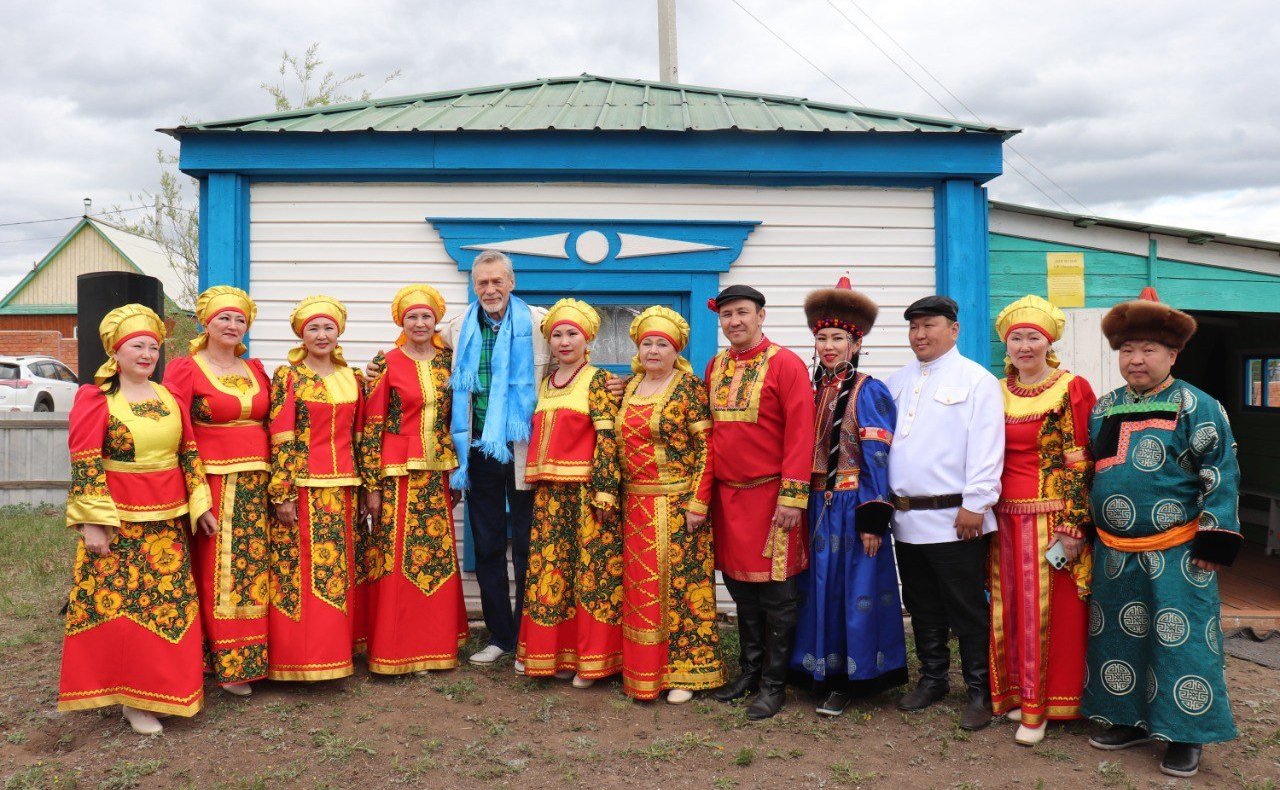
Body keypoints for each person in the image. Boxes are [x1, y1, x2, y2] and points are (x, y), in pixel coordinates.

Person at [1083, 287, 1241, 779]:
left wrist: (1214, 536)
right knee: (1118, 637)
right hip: (1114, 551)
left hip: (1178, 550)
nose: (1136, 359)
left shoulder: (1198, 404)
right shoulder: (1105, 406)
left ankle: (1186, 734)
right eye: (1128, 350)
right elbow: (1097, 469)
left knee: (1183, 640)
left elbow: (1220, 471)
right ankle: (1127, 719)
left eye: (1149, 349)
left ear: (1173, 354)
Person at [59, 305, 214, 734]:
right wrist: (93, 522)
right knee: (125, 611)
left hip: (168, 524)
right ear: (116, 351)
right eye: (136, 346)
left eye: (153, 346)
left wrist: (200, 505)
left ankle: (162, 690)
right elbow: (86, 461)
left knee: (166, 607)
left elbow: (188, 453)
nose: (146, 354)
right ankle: (131, 700)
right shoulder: (96, 400)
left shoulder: (169, 397)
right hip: (120, 522)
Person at [886, 295, 1004, 731]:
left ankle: (979, 690)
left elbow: (988, 446)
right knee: (920, 603)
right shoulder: (896, 381)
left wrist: (976, 502)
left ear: (953, 329)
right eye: (914, 326)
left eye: (930, 325)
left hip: (958, 518)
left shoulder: (976, 380)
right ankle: (933, 678)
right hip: (906, 519)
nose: (920, 334)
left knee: (967, 607)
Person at [791, 277, 907, 717]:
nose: (828, 346)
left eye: (838, 338)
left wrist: (873, 515)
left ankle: (849, 679)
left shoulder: (868, 390)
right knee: (815, 591)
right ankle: (815, 670)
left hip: (851, 505)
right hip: (814, 506)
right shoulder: (808, 388)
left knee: (849, 590)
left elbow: (879, 457)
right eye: (821, 338)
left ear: (855, 344)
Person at [704, 285, 816, 720]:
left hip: (773, 498)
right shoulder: (715, 367)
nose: (734, 321)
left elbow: (800, 433)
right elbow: (710, 435)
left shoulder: (785, 364)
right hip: (728, 499)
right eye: (727, 314)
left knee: (778, 596)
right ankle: (750, 672)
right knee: (741, 591)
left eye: (743, 313)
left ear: (761, 315)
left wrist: (793, 496)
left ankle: (775, 684)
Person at [989, 295, 1097, 745]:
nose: (1025, 346)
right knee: (1008, 609)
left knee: (1046, 614)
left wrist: (1074, 524)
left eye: (1034, 337)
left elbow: (1081, 461)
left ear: (1048, 342)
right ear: (1007, 345)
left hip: (1051, 521)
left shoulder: (1071, 387)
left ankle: (1041, 709)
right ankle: (1015, 694)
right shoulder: (995, 390)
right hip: (1003, 519)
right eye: (1017, 338)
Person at [437, 251, 549, 666]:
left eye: (497, 281)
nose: (490, 290)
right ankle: (500, 636)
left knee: (526, 544)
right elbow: (409, 346)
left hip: (525, 447)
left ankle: (528, 636)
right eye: (482, 283)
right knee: (485, 543)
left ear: (512, 283)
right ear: (474, 286)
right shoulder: (455, 328)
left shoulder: (540, 323)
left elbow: (574, 361)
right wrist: (376, 368)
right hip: (479, 448)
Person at [164, 286, 272, 697]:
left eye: (240, 319)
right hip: (214, 484)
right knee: (218, 573)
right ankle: (223, 664)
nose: (232, 326)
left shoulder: (257, 369)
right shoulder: (185, 369)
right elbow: (181, 434)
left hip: (256, 486)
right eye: (224, 318)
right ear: (205, 323)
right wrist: (197, 495)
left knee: (253, 573)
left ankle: (253, 658)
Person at [357, 285, 468, 674]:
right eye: (411, 317)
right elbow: (371, 426)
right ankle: (396, 649)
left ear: (436, 320)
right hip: (395, 474)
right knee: (396, 559)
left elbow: (459, 420)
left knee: (436, 557)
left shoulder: (449, 362)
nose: (419, 323)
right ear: (401, 322)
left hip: (437, 472)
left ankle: (434, 644)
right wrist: (371, 485)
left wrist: (456, 471)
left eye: (426, 316)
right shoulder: (385, 362)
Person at [618, 306, 724, 703]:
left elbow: (707, 448)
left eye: (662, 343)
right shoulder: (629, 387)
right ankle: (644, 671)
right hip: (636, 505)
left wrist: (699, 501)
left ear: (675, 349)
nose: (653, 350)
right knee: (642, 588)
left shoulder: (688, 388)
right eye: (647, 343)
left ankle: (686, 674)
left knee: (682, 588)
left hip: (680, 505)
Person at [516, 298, 623, 686]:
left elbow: (608, 438)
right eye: (557, 334)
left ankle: (591, 663)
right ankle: (557, 657)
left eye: (571, 334)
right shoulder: (545, 384)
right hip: (549, 496)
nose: (564, 341)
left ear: (587, 338)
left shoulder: (598, 381)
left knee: (589, 577)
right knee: (552, 575)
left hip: (586, 496)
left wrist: (606, 491)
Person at [267, 295, 365, 681]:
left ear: (339, 331)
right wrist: (284, 492)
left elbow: (359, 437)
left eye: (328, 327)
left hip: (344, 490)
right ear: (301, 335)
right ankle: (298, 661)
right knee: (300, 571)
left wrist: (366, 487)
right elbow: (281, 436)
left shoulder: (354, 377)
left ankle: (336, 655)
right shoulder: (288, 377)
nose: (322, 335)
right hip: (303, 490)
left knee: (337, 572)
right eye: (313, 328)